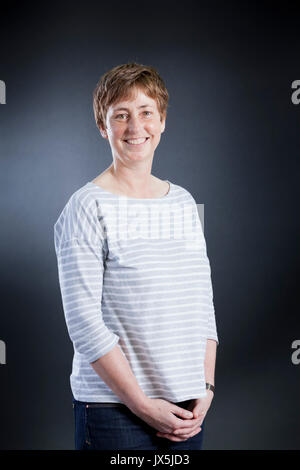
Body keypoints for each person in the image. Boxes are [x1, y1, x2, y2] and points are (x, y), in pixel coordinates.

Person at [53, 62, 219, 450]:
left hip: (187, 410)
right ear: (103, 126)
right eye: (120, 116)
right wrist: (142, 405)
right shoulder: (86, 207)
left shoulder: (182, 202)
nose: (135, 127)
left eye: (146, 112)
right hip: (115, 412)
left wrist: (206, 387)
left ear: (162, 121)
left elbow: (202, 304)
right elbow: (83, 324)